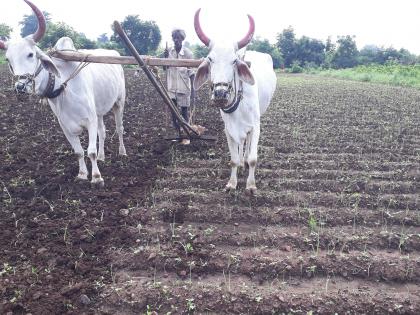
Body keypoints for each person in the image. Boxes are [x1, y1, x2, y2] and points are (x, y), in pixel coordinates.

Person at [164, 28, 195, 145]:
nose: (176, 40)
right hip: (172, 88)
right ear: (172, 39)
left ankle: (186, 135)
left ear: (182, 39)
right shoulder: (169, 52)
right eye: (174, 38)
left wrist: (193, 92)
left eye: (179, 38)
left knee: (184, 113)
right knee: (173, 113)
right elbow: (164, 68)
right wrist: (165, 57)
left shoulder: (188, 53)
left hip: (184, 88)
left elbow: (191, 73)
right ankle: (178, 134)